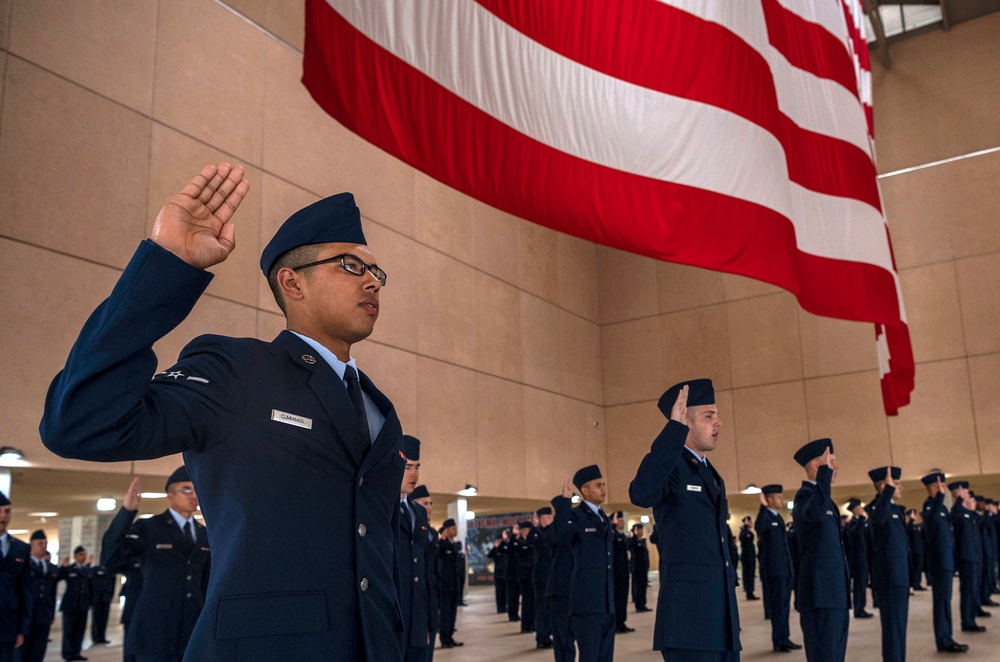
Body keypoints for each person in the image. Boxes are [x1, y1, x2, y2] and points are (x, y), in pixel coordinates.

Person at [40, 165, 407, 661]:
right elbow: (79, 423)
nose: (372, 282)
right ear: (291, 283)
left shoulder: (376, 406)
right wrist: (165, 267)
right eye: (350, 265)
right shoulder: (238, 371)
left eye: (376, 272)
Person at [629, 379, 740, 661]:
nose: (718, 423)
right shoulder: (672, 465)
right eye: (709, 416)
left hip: (721, 621)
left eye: (717, 415)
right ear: (685, 423)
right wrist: (672, 431)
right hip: (688, 622)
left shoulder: (709, 472)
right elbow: (641, 493)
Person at [101, 470, 209, 662]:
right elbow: (110, 558)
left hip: (193, 628)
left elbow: (207, 580)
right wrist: (127, 512)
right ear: (170, 495)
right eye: (186, 490)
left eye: (195, 490)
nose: (194, 495)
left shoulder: (204, 533)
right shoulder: (149, 528)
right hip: (155, 630)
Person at [792, 439, 850, 662]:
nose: (837, 468)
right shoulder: (804, 496)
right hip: (820, 594)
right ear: (818, 465)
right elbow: (814, 513)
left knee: (835, 655)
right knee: (824, 655)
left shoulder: (825, 500)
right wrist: (824, 476)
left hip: (834, 594)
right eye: (832, 462)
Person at [553, 466, 615, 662]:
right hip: (586, 604)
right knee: (590, 657)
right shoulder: (576, 516)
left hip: (606, 603)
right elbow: (559, 536)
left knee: (605, 658)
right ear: (585, 491)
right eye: (598, 486)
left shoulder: (603, 516)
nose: (603, 489)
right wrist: (564, 502)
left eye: (603, 485)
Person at [920, 472, 968, 653]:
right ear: (934, 488)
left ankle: (947, 637)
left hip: (946, 561)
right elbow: (931, 519)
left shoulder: (941, 509)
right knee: (941, 603)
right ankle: (943, 640)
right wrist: (940, 496)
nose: (945, 490)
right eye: (942, 486)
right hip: (939, 563)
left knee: (945, 602)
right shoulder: (929, 506)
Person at [866, 466, 910, 662]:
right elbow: (878, 518)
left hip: (900, 575)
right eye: (896, 484)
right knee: (893, 627)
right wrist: (887, 493)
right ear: (885, 487)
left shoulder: (892, 508)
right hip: (890, 577)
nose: (900, 488)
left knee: (899, 626)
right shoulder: (878, 507)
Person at [398, 436, 433, 661]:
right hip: (395, 622)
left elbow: (423, 570)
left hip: (418, 624)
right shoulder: (381, 509)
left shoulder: (418, 513)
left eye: (417, 467)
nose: (414, 474)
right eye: (408, 467)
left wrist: (427, 623)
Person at [755, 485, 800, 653]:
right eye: (779, 497)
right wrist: (762, 506)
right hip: (774, 570)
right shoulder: (765, 517)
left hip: (785, 569)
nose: (782, 500)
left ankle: (785, 637)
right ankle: (778, 640)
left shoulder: (778, 518)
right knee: (777, 607)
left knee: (784, 606)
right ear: (770, 499)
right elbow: (759, 527)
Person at [543, 497, 576, 662]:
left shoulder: (572, 530)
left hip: (574, 588)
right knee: (563, 636)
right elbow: (558, 536)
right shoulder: (552, 532)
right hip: (559, 590)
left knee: (571, 634)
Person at [950, 481, 985, 633]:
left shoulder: (967, 512)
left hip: (973, 555)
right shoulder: (957, 510)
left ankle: (971, 617)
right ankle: (967, 621)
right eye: (964, 491)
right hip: (966, 556)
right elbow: (954, 515)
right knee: (968, 589)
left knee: (973, 588)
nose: (968, 494)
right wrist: (958, 498)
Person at [410, 485, 440, 660]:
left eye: (430, 503)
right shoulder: (412, 530)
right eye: (424, 503)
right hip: (417, 595)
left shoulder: (432, 534)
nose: (428, 507)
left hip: (431, 593)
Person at [0, 493, 29, 662]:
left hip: (8, 625)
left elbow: (24, 591)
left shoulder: (20, 549)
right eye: (0, 511)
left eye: (7, 511)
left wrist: (22, 629)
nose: (3, 517)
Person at [22, 530, 59, 662]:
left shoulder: (50, 568)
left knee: (38, 652)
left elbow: (52, 592)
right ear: (31, 544)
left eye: (45, 543)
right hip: (27, 615)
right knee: (22, 653)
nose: (44, 546)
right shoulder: (23, 565)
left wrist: (51, 613)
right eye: (40, 543)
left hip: (43, 615)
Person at [59, 546, 92, 662]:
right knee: (69, 630)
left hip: (83, 605)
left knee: (80, 630)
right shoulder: (69, 569)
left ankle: (76, 652)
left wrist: (90, 603)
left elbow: (90, 587)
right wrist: (62, 568)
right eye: (81, 555)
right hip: (70, 605)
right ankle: (67, 653)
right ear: (76, 556)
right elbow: (58, 577)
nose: (83, 557)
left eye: (84, 554)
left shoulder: (87, 570)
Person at [529, 508, 554, 649]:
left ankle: (548, 634)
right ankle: (541, 637)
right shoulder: (537, 533)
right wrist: (534, 526)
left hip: (551, 576)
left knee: (550, 608)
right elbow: (530, 540)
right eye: (547, 517)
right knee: (542, 608)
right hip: (541, 577)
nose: (550, 520)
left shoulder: (551, 532)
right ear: (541, 519)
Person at [844, 498, 873, 619]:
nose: (862, 510)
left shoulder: (859, 522)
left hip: (863, 557)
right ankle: (858, 608)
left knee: (863, 583)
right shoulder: (853, 523)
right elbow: (855, 533)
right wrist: (861, 519)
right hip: (857, 559)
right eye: (859, 508)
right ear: (855, 510)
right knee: (859, 585)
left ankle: (861, 607)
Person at [437, 520, 464, 648]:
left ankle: (450, 636)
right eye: (453, 528)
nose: (456, 531)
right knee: (445, 613)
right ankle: (444, 639)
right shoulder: (442, 544)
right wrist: (442, 540)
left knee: (453, 613)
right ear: (446, 531)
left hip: (455, 584)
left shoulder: (453, 544)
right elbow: (439, 554)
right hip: (445, 585)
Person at [610, 512, 633, 634]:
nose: (622, 523)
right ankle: (616, 623)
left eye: (622, 521)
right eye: (620, 521)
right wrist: (612, 526)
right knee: (617, 599)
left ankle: (622, 622)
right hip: (616, 573)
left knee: (623, 599)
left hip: (624, 572)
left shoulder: (623, 537)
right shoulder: (613, 535)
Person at [89, 561, 116, 646]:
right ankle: (96, 637)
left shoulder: (110, 570)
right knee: (96, 618)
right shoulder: (95, 569)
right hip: (96, 598)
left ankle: (102, 636)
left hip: (105, 598)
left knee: (104, 618)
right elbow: (90, 583)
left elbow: (112, 584)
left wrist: (111, 596)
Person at [516, 521, 536, 633]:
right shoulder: (519, 542)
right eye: (524, 530)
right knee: (526, 601)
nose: (526, 532)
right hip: (525, 576)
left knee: (534, 602)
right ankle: (525, 626)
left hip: (533, 574)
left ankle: (533, 624)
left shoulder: (533, 541)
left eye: (528, 530)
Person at [628, 524, 650, 612]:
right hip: (637, 568)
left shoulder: (643, 541)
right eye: (640, 530)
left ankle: (643, 604)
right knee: (638, 587)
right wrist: (633, 536)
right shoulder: (633, 541)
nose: (642, 532)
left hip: (643, 568)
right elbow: (628, 546)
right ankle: (638, 605)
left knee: (643, 587)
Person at [904, 509, 926, 592]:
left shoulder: (917, 526)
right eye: (913, 514)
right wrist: (911, 520)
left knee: (919, 568)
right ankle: (914, 584)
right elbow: (907, 530)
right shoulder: (909, 525)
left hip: (919, 550)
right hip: (913, 551)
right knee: (915, 568)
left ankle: (918, 583)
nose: (915, 516)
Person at [486, 534, 507, 614]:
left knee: (504, 592)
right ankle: (500, 608)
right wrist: (495, 547)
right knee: (499, 592)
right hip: (498, 574)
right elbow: (489, 555)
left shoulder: (504, 549)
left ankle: (504, 606)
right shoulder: (495, 550)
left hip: (505, 573)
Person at [739, 516, 758, 601]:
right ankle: (749, 593)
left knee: (750, 575)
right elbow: (742, 538)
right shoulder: (744, 531)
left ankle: (750, 591)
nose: (752, 524)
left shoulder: (748, 531)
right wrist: (745, 526)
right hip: (747, 557)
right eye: (750, 522)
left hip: (750, 556)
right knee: (748, 575)